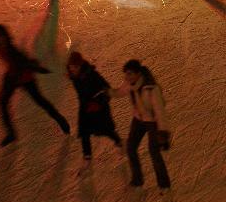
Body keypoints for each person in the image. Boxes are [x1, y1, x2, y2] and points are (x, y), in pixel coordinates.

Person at [0, 24, 70, 147]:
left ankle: (60, 119)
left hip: (25, 77)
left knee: (40, 101)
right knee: (2, 102)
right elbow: (11, 67)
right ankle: (11, 134)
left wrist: (39, 69)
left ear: (4, 36)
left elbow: (25, 63)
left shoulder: (13, 50)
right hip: (13, 76)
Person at [109, 60, 171, 191]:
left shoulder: (151, 89)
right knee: (131, 148)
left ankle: (164, 185)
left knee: (154, 152)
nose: (127, 77)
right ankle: (137, 181)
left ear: (138, 74)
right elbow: (119, 92)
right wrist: (106, 92)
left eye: (130, 74)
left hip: (152, 122)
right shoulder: (129, 84)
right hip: (138, 120)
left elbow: (160, 111)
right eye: (125, 74)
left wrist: (163, 133)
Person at [66, 51, 122, 169]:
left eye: (75, 67)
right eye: (71, 67)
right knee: (84, 132)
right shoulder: (73, 76)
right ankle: (87, 157)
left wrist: (98, 103)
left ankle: (119, 142)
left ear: (80, 65)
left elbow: (107, 89)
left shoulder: (92, 75)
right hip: (85, 107)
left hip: (98, 107)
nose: (73, 69)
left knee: (104, 129)